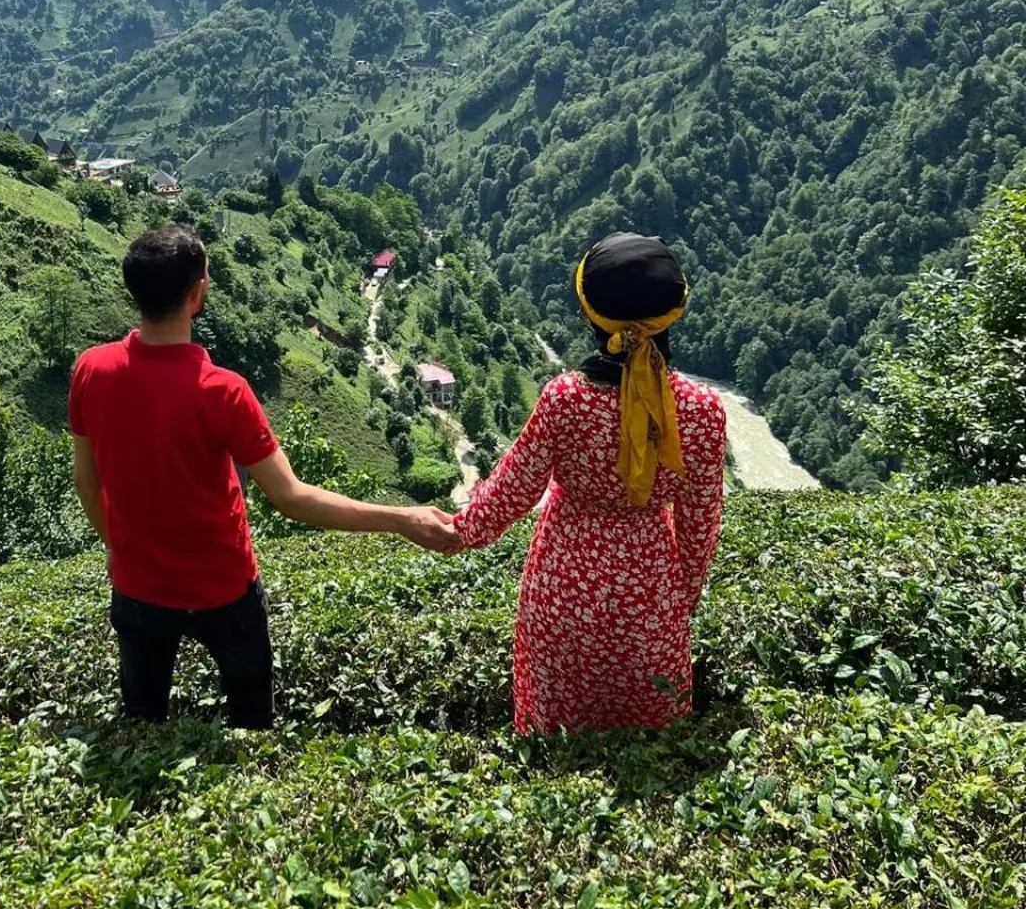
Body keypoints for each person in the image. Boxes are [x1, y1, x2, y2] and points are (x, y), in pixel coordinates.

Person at [70, 224, 462, 725]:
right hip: (223, 590)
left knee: (142, 721)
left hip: (136, 588)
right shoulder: (223, 392)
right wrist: (403, 519)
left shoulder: (90, 370)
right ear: (198, 294)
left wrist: (120, 545)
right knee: (252, 721)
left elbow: (87, 481)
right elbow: (291, 497)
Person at [453, 233, 726, 734]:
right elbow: (700, 524)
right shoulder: (701, 411)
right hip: (649, 597)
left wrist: (456, 531)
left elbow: (512, 490)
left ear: (590, 316)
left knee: (556, 743)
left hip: (562, 594)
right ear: (676, 311)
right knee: (651, 742)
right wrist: (673, 602)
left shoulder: (566, 400)